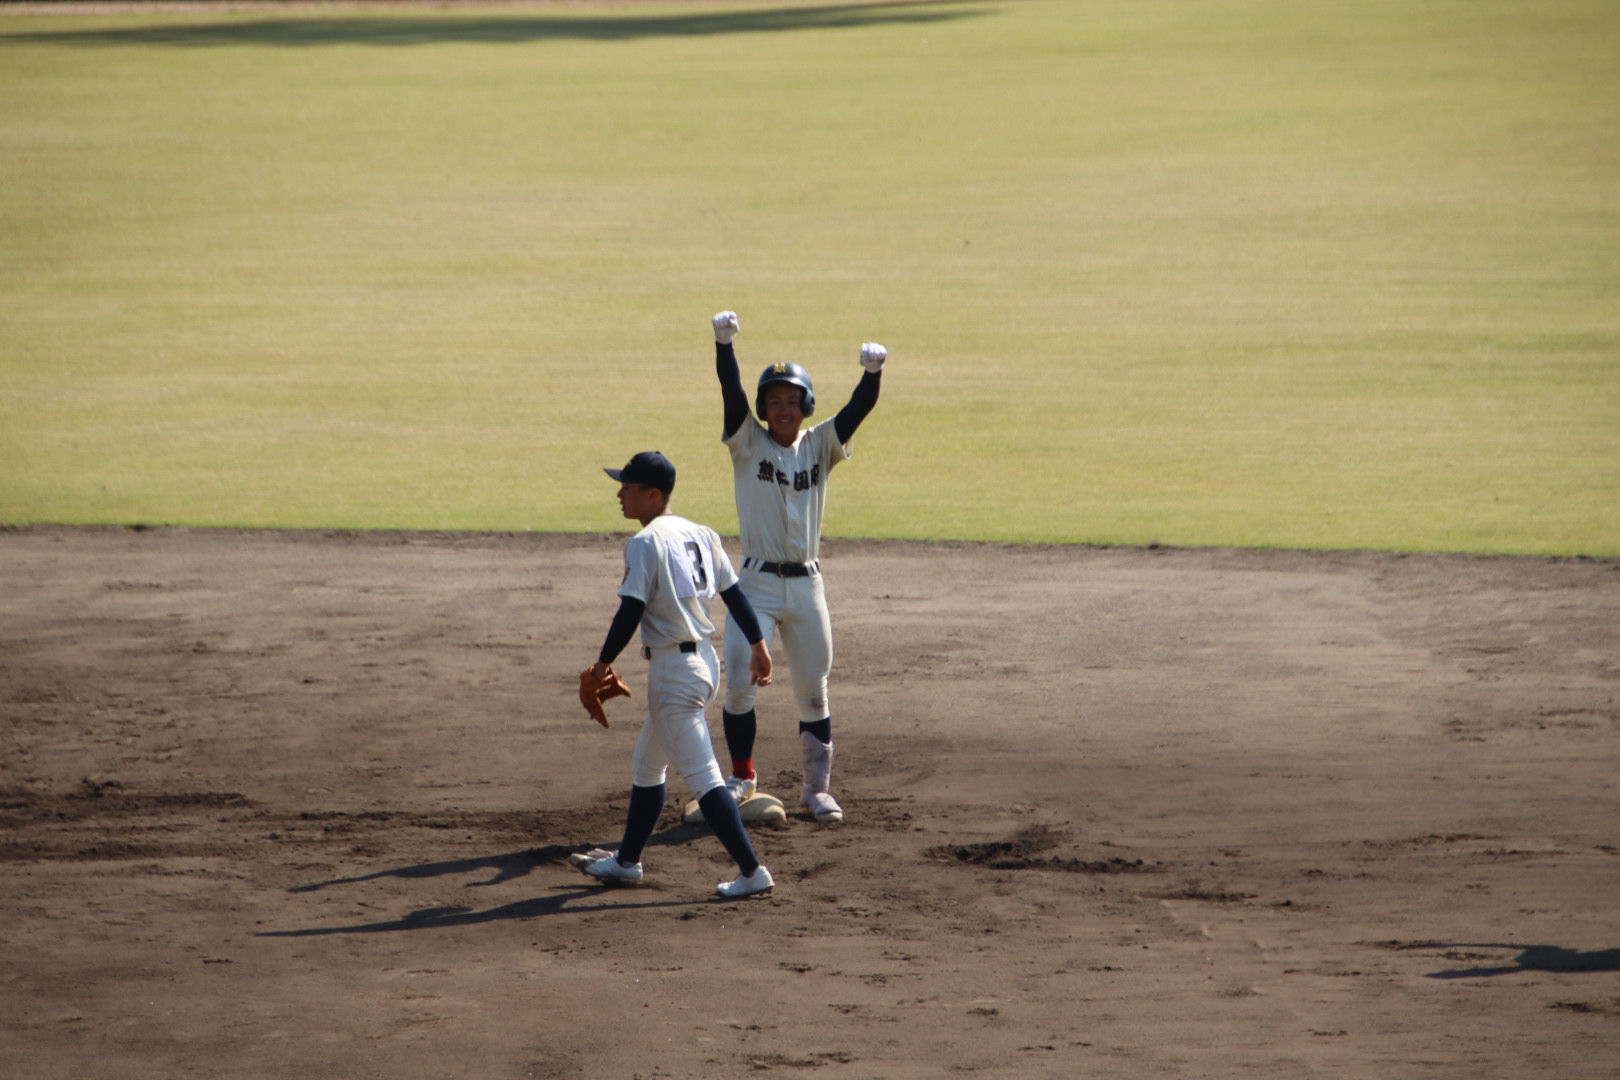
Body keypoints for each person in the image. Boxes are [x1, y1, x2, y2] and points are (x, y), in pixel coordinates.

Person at [574, 450, 777, 898]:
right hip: (705, 664)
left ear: (652, 494)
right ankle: (627, 861)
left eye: (627, 486)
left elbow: (631, 609)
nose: (619, 493)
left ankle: (752, 870)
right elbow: (735, 594)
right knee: (647, 765)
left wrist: (603, 663)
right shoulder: (701, 533)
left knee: (704, 776)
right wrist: (758, 645)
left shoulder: (646, 543)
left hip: (673, 672)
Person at [709, 310, 886, 824]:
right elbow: (730, 393)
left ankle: (816, 790)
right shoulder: (747, 442)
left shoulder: (821, 445)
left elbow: (859, 408)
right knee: (740, 682)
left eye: (792, 400)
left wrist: (872, 374)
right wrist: (725, 347)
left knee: (813, 689)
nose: (783, 409)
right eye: (774, 401)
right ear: (763, 409)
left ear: (806, 406)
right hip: (757, 584)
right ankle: (743, 776)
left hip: (807, 586)